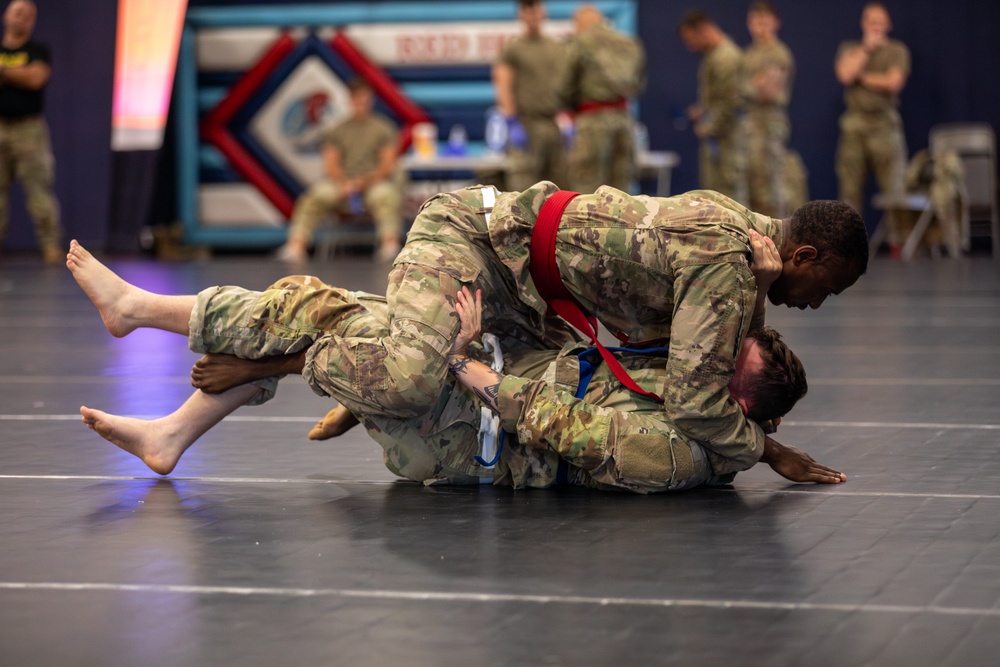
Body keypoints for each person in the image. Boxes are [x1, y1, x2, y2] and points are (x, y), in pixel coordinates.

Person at [68, 173, 867, 481]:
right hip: (476, 241)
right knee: (405, 369)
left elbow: (701, 352)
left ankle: (177, 428)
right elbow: (697, 403)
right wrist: (773, 453)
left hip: (535, 308)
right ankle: (142, 311)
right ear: (801, 252)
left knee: (380, 340)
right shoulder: (732, 269)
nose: (818, 306)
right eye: (825, 287)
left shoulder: (743, 252)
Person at [275, 78, 403, 263]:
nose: (360, 103)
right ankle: (296, 246)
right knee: (316, 195)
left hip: (373, 184)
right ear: (349, 100)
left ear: (371, 100)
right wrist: (346, 183)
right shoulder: (337, 130)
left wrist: (363, 182)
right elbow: (330, 165)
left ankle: (389, 245)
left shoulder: (383, 128)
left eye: (364, 99)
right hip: (342, 185)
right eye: (356, 99)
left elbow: (387, 165)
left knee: (386, 194)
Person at [834, 2, 910, 256]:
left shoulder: (897, 50)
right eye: (871, 22)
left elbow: (893, 82)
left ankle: (899, 243)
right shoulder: (850, 49)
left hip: (885, 125)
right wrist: (865, 51)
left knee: (895, 187)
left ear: (888, 25)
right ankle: (850, 245)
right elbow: (845, 74)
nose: (875, 27)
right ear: (863, 24)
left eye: (880, 22)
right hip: (854, 125)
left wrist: (863, 78)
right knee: (850, 188)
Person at [558, 5, 645, 193]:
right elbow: (638, 84)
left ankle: (589, 224)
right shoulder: (628, 43)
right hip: (624, 120)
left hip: (592, 120)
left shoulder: (581, 42)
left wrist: (571, 107)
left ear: (580, 23)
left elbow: (565, 84)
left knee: (587, 186)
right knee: (621, 189)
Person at [0, 0, 60, 264]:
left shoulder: (38, 50)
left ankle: (51, 246)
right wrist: (18, 74)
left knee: (39, 190)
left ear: (33, 21)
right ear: (6, 16)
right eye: (17, 12)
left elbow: (36, 78)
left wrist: (3, 71)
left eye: (27, 15)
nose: (21, 18)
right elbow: (27, 76)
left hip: (29, 129)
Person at [492, 0, 567, 191]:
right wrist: (511, 122)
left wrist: (567, 119)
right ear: (521, 15)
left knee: (558, 190)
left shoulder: (555, 48)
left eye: (536, 10)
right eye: (528, 11)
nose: (533, 16)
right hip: (526, 125)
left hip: (552, 125)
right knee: (522, 191)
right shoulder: (514, 49)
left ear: (543, 12)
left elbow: (564, 85)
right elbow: (503, 85)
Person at [678, 10, 747, 204]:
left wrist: (708, 127)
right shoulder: (715, 56)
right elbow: (719, 98)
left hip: (728, 142)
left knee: (729, 200)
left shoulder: (725, 58)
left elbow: (730, 104)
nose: (690, 47)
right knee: (717, 197)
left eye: (691, 39)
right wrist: (703, 110)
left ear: (704, 31)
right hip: (720, 143)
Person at [743, 1, 795, 218]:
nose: (760, 25)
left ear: (776, 23)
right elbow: (751, 86)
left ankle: (779, 241)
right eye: (755, 20)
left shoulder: (779, 53)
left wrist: (744, 86)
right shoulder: (748, 54)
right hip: (748, 124)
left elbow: (767, 90)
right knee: (750, 186)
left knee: (770, 188)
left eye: (765, 20)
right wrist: (751, 84)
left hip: (769, 124)